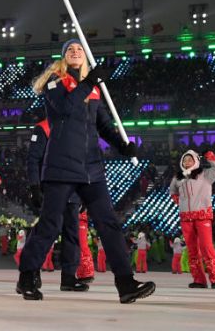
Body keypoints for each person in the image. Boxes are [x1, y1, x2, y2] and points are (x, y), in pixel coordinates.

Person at [16, 38, 154, 304]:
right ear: (64, 57)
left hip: (92, 169)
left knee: (109, 224)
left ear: (85, 56)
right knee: (50, 224)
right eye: (70, 49)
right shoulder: (55, 83)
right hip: (61, 167)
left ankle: (125, 283)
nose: (75, 51)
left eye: (79, 49)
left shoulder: (93, 91)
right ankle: (27, 276)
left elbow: (102, 126)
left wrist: (122, 146)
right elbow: (66, 108)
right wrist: (89, 81)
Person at [27, 118, 88, 291]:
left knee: (71, 234)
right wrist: (34, 186)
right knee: (46, 232)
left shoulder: (77, 126)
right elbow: (33, 159)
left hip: (73, 191)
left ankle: (69, 277)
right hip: (51, 189)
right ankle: (31, 271)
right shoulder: (43, 128)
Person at [169, 149, 215, 289]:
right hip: (186, 217)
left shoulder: (205, 174)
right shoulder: (178, 177)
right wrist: (179, 201)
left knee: (206, 247)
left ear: (196, 161)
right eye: (185, 160)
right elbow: (172, 191)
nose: (187, 162)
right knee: (192, 250)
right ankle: (199, 280)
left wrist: (209, 155)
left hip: (202, 216)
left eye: (190, 160)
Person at [76, 211, 95, 282]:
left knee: (81, 246)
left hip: (80, 218)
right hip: (71, 217)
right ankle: (82, 273)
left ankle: (86, 273)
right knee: (75, 247)